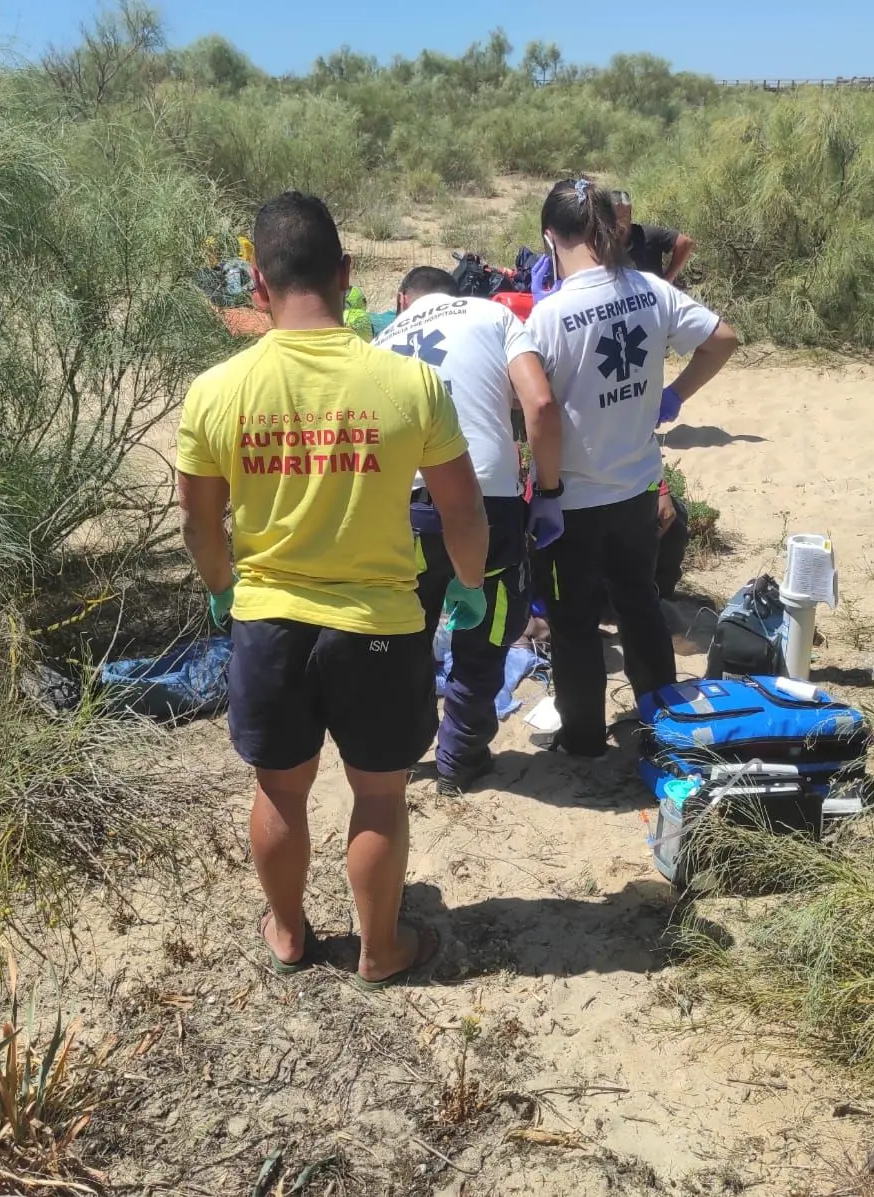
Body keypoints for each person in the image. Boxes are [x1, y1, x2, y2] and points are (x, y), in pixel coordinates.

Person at [177, 192, 490, 989]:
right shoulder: (408, 383)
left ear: (257, 284)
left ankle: (287, 930)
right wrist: (468, 585)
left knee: (281, 790)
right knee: (380, 798)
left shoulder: (216, 391)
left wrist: (222, 588)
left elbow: (201, 526)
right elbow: (462, 509)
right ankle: (380, 949)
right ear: (346, 275)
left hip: (270, 621)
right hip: (380, 624)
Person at [527, 178, 739, 757]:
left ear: (551, 237)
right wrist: (675, 395)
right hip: (639, 487)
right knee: (639, 604)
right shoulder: (650, 290)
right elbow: (723, 337)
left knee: (572, 625)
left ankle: (585, 739)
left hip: (572, 499)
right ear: (609, 228)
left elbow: (539, 411)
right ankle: (660, 726)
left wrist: (544, 490)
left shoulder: (549, 316)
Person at [374, 267, 563, 795]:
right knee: (488, 630)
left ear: (401, 300)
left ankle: (400, 752)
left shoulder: (382, 338)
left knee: (406, 635)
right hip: (487, 501)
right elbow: (540, 404)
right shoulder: (494, 313)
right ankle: (460, 757)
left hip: (404, 506)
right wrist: (547, 492)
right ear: (456, 295)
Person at [611, 189, 695, 284]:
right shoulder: (601, 241)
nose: (618, 223)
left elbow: (685, 243)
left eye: (623, 217)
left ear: (630, 212)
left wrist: (668, 279)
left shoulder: (648, 234)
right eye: (613, 218)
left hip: (652, 295)